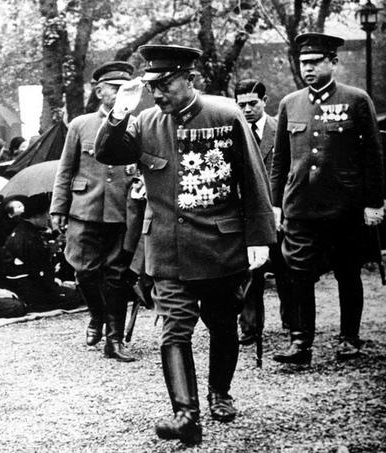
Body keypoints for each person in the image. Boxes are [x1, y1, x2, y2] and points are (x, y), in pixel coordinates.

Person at [95, 45, 275, 444]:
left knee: (222, 324)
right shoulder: (146, 121)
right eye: (152, 86)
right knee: (174, 330)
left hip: (220, 247)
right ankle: (186, 416)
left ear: (189, 79)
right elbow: (107, 152)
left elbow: (253, 176)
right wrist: (121, 110)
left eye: (166, 84)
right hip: (168, 250)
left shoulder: (225, 115)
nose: (158, 94)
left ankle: (220, 393)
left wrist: (260, 238)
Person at [270, 33, 385, 364]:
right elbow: (280, 161)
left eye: (315, 62)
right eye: (303, 63)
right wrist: (276, 204)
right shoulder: (289, 103)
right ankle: (300, 342)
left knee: (347, 271)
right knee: (298, 273)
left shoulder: (356, 99)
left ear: (332, 63)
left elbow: (373, 156)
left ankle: (349, 337)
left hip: (344, 206)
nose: (307, 68)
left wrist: (374, 203)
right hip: (301, 206)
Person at [50, 61, 137, 362]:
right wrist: (58, 207)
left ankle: (114, 339)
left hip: (121, 209)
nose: (120, 94)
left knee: (116, 275)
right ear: (100, 91)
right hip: (84, 207)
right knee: (84, 270)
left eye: (126, 89)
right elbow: (65, 169)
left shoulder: (137, 124)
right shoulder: (80, 125)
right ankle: (97, 315)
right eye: (114, 89)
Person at [233, 79, 292, 343]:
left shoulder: (281, 129)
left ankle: (293, 323)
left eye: (252, 104)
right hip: (246, 215)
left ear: (265, 101)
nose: (246, 110)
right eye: (241, 104)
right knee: (249, 273)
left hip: (279, 212)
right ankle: (250, 327)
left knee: (286, 269)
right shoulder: (232, 132)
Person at [0, 196, 82, 312]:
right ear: (36, 216)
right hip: (30, 286)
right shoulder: (28, 236)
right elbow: (38, 269)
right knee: (74, 296)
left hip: (24, 282)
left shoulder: (23, 230)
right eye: (46, 214)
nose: (48, 218)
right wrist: (55, 284)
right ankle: (34, 306)